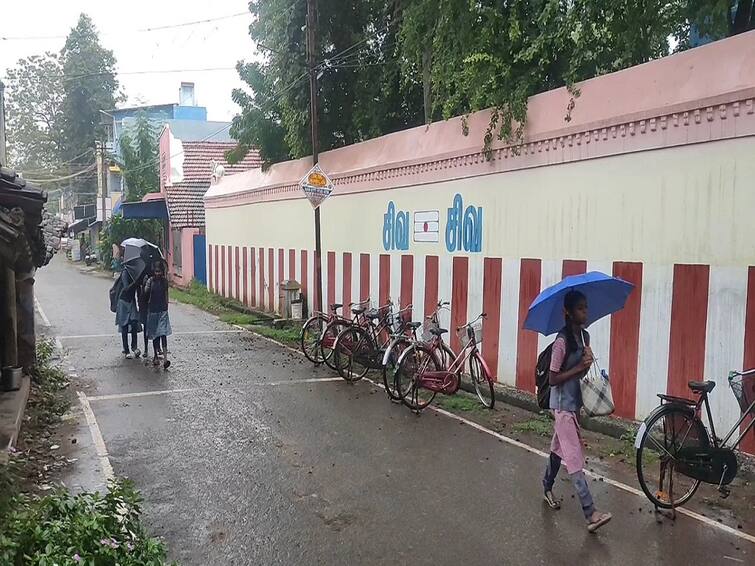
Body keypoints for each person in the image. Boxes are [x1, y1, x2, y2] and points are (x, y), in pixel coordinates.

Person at [542, 290, 612, 533]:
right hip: (561, 406)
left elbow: (581, 376)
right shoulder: (561, 342)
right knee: (573, 458)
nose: (585, 312)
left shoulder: (585, 336)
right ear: (568, 312)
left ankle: (546, 485)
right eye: (580, 308)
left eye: (586, 307)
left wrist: (587, 364)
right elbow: (553, 378)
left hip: (575, 404)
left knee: (558, 449)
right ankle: (590, 512)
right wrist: (578, 367)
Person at [145, 260, 172, 369]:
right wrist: (146, 285)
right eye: (156, 271)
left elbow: (166, 295)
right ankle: (155, 355)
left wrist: (166, 307)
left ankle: (165, 358)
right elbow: (145, 294)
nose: (158, 274)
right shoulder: (150, 281)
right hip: (152, 311)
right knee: (155, 335)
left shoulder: (165, 282)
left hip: (162, 311)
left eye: (160, 271)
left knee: (163, 333)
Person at [114, 268, 141, 359]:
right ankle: (126, 350)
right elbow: (126, 288)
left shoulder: (137, 273)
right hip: (123, 301)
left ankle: (134, 347)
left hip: (131, 301)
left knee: (134, 323)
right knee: (124, 325)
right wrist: (135, 282)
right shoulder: (125, 272)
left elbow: (138, 291)